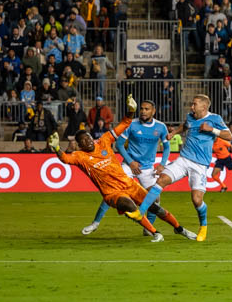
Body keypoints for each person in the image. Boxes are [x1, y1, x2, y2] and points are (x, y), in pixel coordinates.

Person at [49, 95, 193, 242]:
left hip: (133, 180)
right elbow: (65, 159)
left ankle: (179, 229)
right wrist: (56, 148)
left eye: (89, 137)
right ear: (80, 146)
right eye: (84, 141)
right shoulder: (80, 156)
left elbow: (123, 124)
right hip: (113, 190)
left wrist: (131, 111)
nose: (89, 141)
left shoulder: (104, 140)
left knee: (154, 205)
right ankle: (154, 232)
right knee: (129, 205)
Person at [131, 95, 232, 242]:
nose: (191, 107)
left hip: (200, 165)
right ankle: (140, 213)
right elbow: (185, 126)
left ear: (204, 107)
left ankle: (203, 226)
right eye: (192, 104)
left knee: (197, 200)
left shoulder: (214, 119)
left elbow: (229, 135)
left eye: (194, 104)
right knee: (162, 180)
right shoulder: (190, 117)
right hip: (183, 159)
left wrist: (212, 130)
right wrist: (174, 133)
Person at [81, 99, 177, 237]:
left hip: (147, 168)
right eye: (142, 109)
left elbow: (167, 147)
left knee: (155, 198)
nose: (143, 111)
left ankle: (148, 228)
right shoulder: (132, 124)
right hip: (129, 165)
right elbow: (119, 145)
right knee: (113, 191)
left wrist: (162, 164)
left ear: (153, 111)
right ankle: (95, 223)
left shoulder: (161, 127)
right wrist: (131, 162)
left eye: (147, 109)